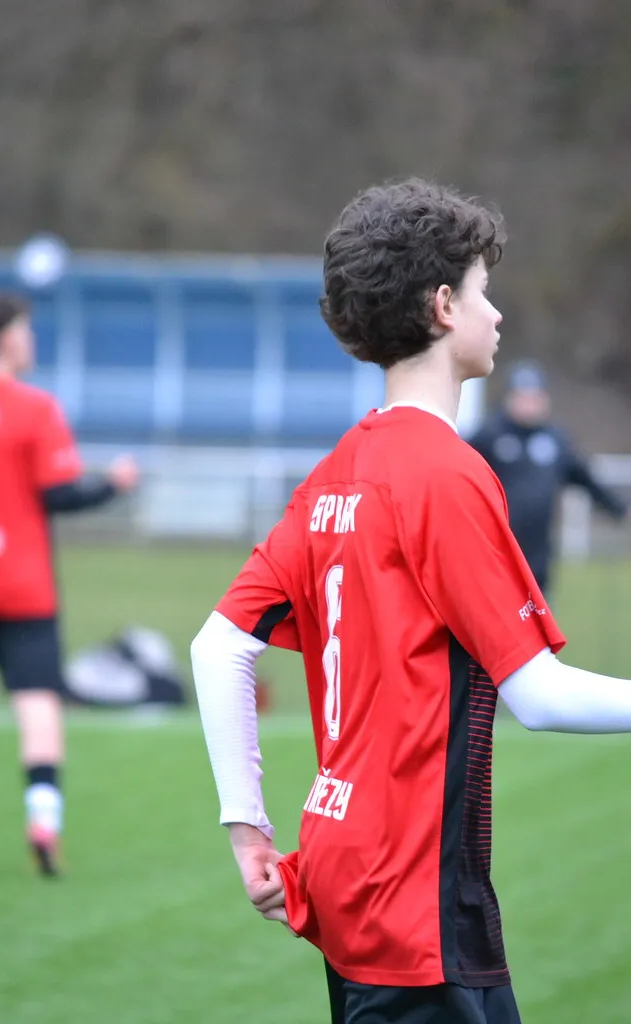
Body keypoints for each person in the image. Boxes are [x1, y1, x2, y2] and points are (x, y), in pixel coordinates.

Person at [191, 178, 631, 1024]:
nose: (495, 313)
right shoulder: (444, 475)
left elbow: (217, 647)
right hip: (412, 896)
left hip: (344, 867)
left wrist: (248, 829)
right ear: (442, 305)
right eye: (481, 290)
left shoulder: (338, 470)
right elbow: (538, 696)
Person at [0, 292, 138, 877]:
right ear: (6, 338)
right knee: (36, 699)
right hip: (19, 584)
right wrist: (113, 483)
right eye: (25, 330)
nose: (30, 339)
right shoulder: (33, 407)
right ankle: (43, 820)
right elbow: (60, 492)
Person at [468, 360, 627, 593]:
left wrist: (620, 509)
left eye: (535, 397)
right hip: (495, 551)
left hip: (539, 555)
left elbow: (586, 479)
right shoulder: (489, 436)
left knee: (538, 609)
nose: (529, 404)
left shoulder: (555, 440)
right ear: (509, 399)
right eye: (523, 397)